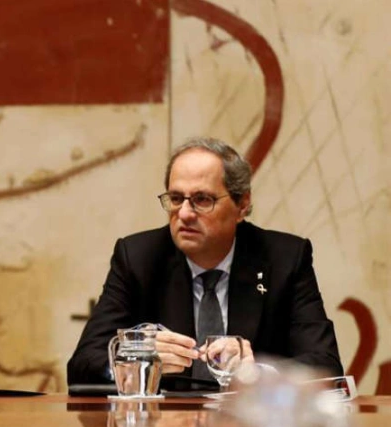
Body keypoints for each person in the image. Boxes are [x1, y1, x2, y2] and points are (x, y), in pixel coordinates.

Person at [67, 137, 342, 386]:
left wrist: (255, 372)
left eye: (202, 199)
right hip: (164, 423)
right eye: (176, 198)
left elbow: (326, 366)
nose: (184, 214)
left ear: (242, 205)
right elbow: (82, 364)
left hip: (249, 422)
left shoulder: (285, 258)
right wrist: (136, 363)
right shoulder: (138, 257)